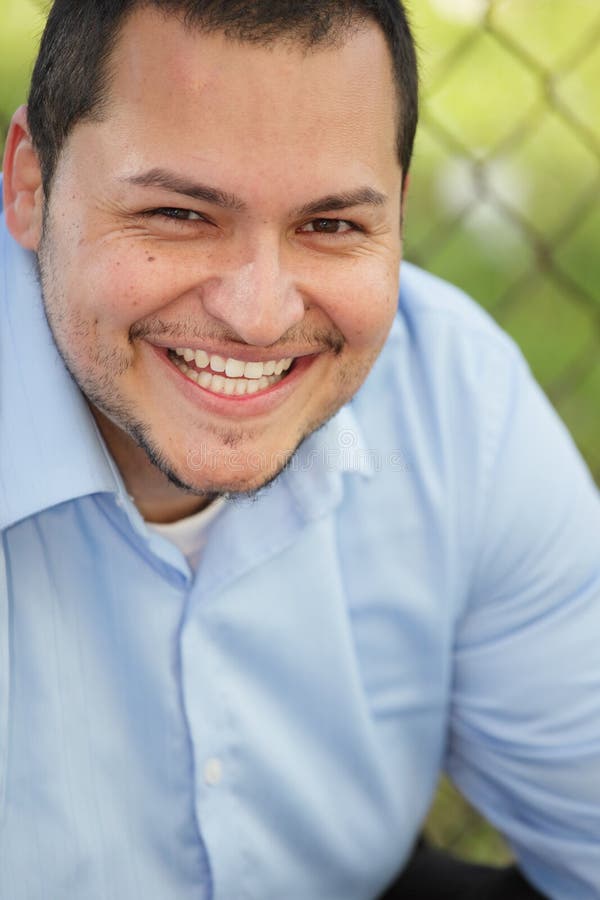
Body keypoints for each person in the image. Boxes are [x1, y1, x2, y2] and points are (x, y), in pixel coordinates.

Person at [0, 1, 598, 897]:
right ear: (29, 185)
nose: (259, 314)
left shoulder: (454, 402)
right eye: (178, 213)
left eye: (330, 226)